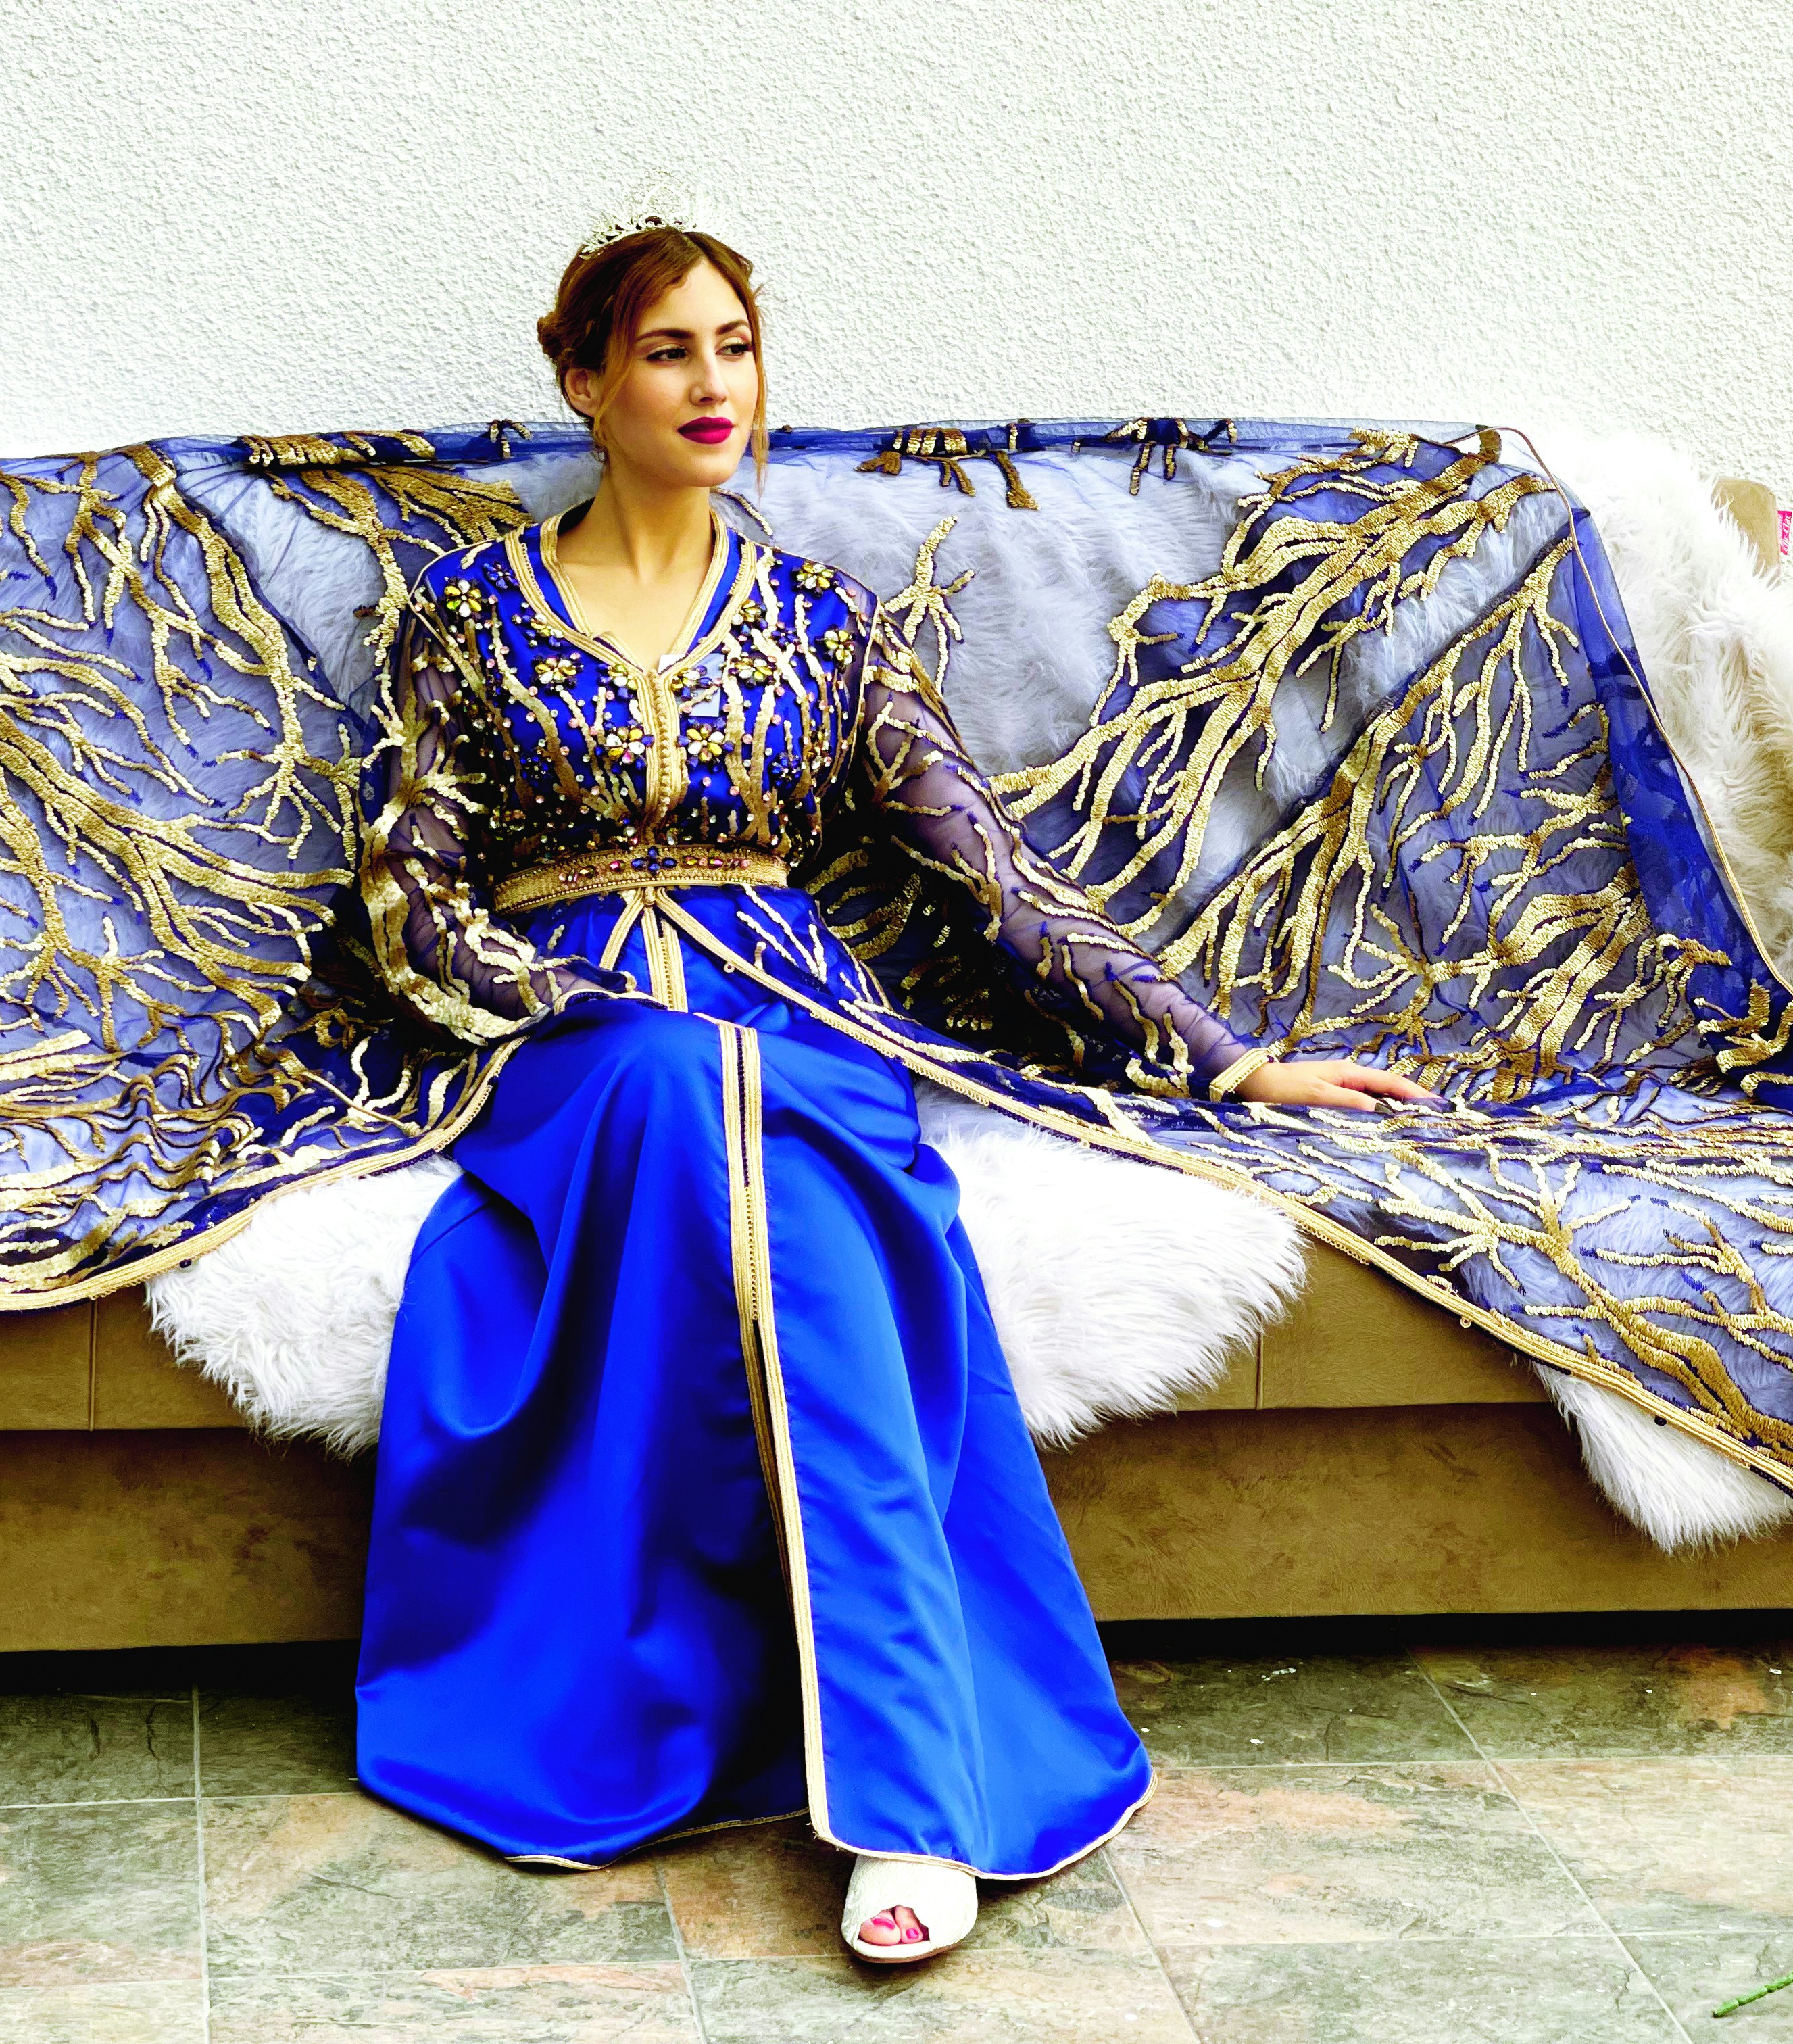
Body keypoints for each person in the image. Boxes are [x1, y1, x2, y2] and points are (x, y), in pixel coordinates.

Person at [349, 216, 1436, 1962]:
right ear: (583, 382)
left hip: (796, 1032)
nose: (715, 386)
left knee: (797, 1175)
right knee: (670, 1089)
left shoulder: (826, 631)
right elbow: (407, 892)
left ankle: (910, 1803)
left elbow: (1001, 884)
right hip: (575, 1056)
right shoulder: (466, 625)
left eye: (736, 347)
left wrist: (1228, 1052)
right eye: (667, 352)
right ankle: (761, 1731)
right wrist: (559, 998)